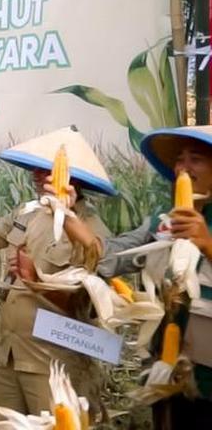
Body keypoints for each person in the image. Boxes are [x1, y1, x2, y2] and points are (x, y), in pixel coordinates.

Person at [0, 127, 113, 423]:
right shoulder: (27, 213)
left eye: (46, 168)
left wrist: (35, 279)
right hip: (11, 352)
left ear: (72, 177)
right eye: (36, 166)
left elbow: (90, 304)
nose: (36, 173)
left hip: (53, 361)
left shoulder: (90, 230)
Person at [80, 124, 212, 425]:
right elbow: (113, 256)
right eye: (180, 159)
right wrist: (69, 223)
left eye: (196, 158)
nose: (183, 167)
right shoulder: (164, 221)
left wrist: (207, 244)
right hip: (165, 365)